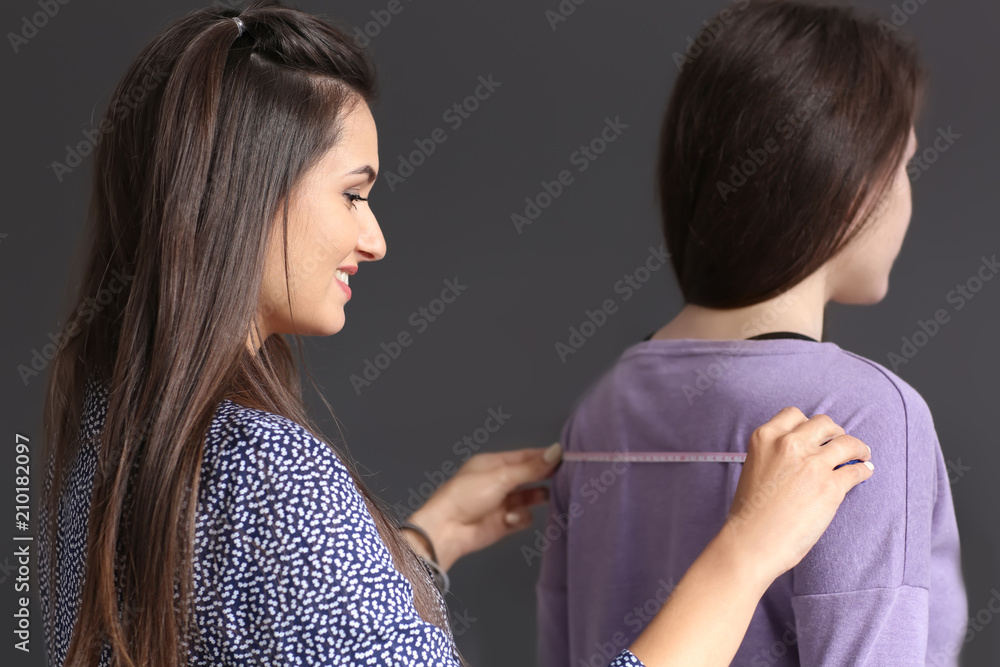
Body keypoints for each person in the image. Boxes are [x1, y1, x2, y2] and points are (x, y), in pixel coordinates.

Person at [37, 2, 873, 666]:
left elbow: (256, 618)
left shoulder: (112, 434)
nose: (375, 238)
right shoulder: (273, 477)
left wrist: (423, 540)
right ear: (246, 196)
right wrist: (745, 553)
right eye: (353, 193)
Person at [536, 2, 967, 666]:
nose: (909, 194)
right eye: (903, 162)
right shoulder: (862, 417)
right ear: (849, 175)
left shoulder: (600, 410)